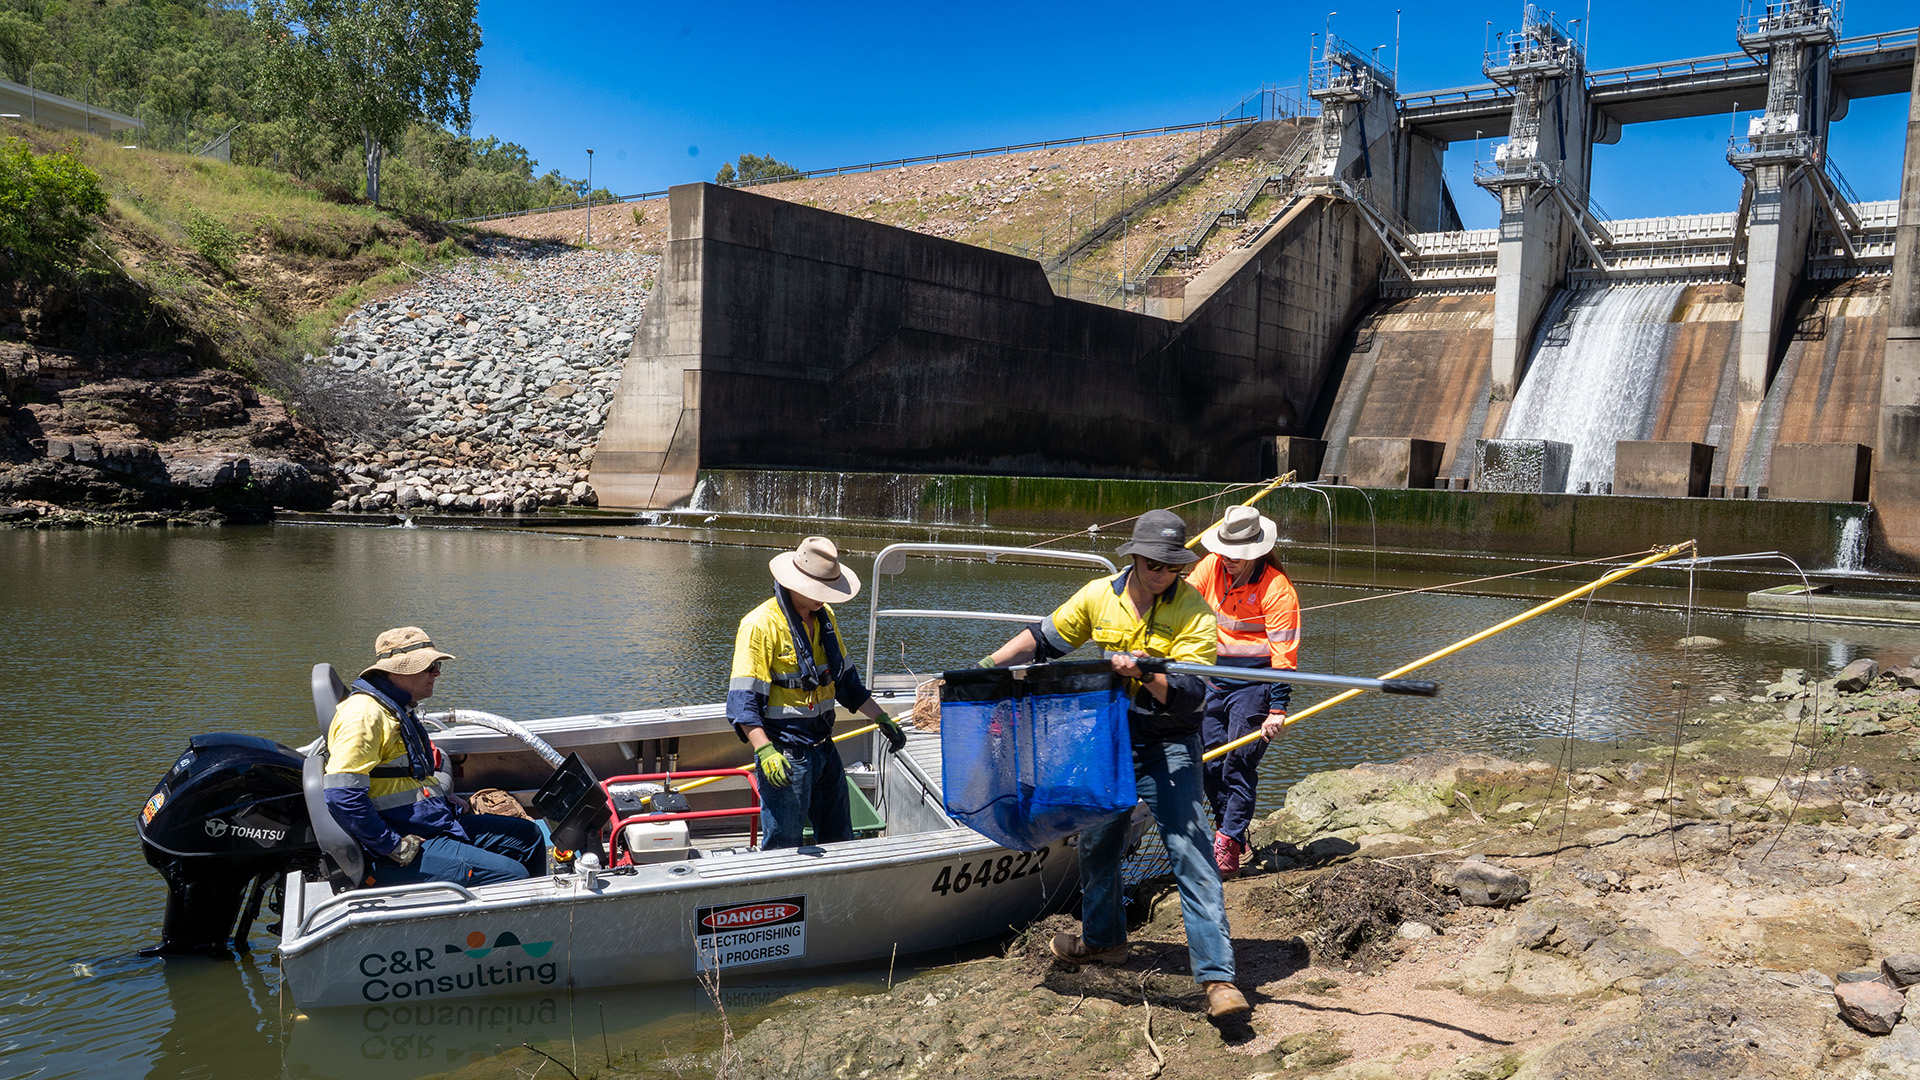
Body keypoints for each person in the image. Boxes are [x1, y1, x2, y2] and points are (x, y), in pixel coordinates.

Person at [979, 509, 1251, 1021]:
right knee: (1097, 840)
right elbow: (1043, 639)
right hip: (1106, 741)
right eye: (1154, 563)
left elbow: (1191, 698)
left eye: (1172, 566)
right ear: (1135, 557)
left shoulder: (1194, 611)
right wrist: (989, 667)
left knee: (1189, 851)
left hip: (1167, 744)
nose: (1163, 573)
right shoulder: (1098, 595)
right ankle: (1104, 941)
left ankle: (1218, 979)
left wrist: (1147, 673)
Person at [322, 626, 546, 887]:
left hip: (431, 824)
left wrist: (443, 800)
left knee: (529, 836)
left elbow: (398, 778)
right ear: (398, 671)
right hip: (400, 844)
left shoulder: (393, 707)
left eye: (436, 665)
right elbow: (342, 795)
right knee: (513, 875)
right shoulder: (364, 716)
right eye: (429, 667)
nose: (437, 672)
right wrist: (393, 845)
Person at [729, 536, 907, 849]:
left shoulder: (825, 620)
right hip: (786, 753)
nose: (822, 599)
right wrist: (765, 751)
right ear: (792, 582)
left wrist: (881, 718)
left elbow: (846, 683)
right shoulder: (759, 625)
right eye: (816, 591)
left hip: (824, 749)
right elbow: (743, 703)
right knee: (784, 844)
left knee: (840, 837)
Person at [1187, 505, 1300, 878]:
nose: (1228, 559)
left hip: (1256, 686)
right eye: (1224, 550)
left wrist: (1277, 709)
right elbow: (1181, 603)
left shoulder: (1277, 589)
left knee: (1238, 764)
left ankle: (1228, 843)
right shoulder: (1211, 566)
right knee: (1209, 761)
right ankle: (1233, 833)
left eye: (1237, 554)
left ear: (1255, 552)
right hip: (1212, 679)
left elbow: (1284, 655)